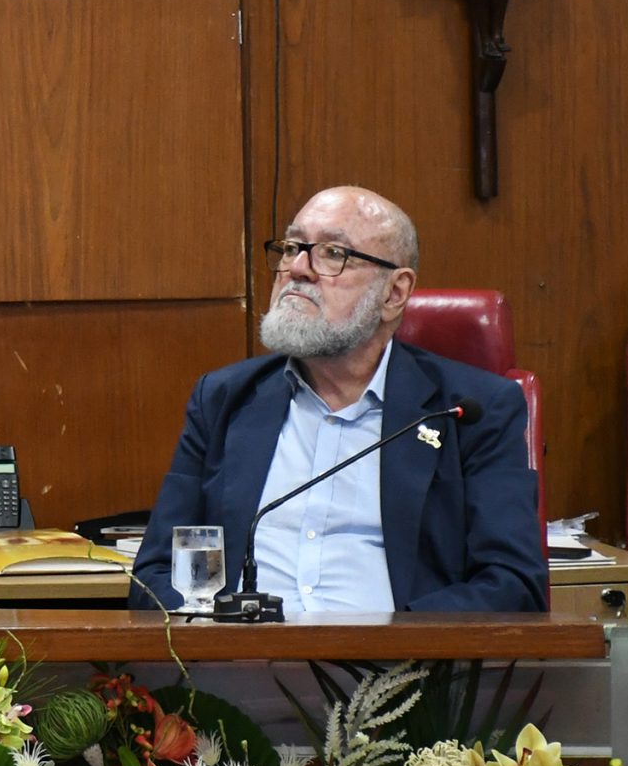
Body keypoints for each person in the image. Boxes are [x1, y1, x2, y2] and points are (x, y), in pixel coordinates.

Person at [136, 186, 545, 615]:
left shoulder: (470, 410)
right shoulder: (223, 400)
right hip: (238, 668)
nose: (297, 268)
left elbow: (512, 584)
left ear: (394, 293)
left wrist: (387, 650)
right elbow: (156, 574)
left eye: (332, 253)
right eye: (292, 247)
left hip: (401, 673)